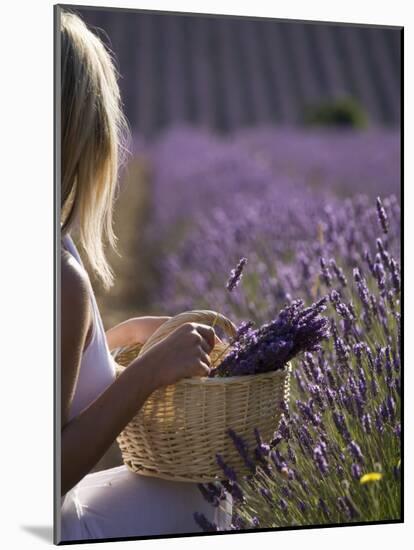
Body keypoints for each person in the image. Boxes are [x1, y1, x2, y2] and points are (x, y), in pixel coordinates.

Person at [59, 10, 232, 542]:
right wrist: (147, 370)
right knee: (209, 497)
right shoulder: (58, 277)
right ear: (85, 131)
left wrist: (113, 340)